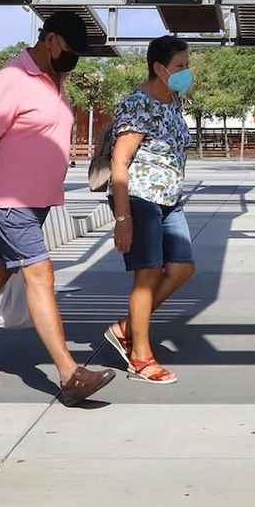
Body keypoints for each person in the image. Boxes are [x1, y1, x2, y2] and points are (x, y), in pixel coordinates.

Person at [0, 10, 115, 406]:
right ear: (50, 39)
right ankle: (70, 374)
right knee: (40, 273)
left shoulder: (54, 80)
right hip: (10, 200)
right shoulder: (10, 79)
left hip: (37, 202)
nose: (74, 58)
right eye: (70, 48)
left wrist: (59, 78)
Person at [104, 35, 196, 385]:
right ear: (159, 68)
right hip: (140, 198)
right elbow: (119, 161)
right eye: (179, 67)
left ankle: (127, 327)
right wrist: (123, 218)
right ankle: (140, 357)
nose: (186, 72)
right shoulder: (138, 103)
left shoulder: (173, 101)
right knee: (147, 275)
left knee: (182, 267)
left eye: (187, 65)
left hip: (169, 200)